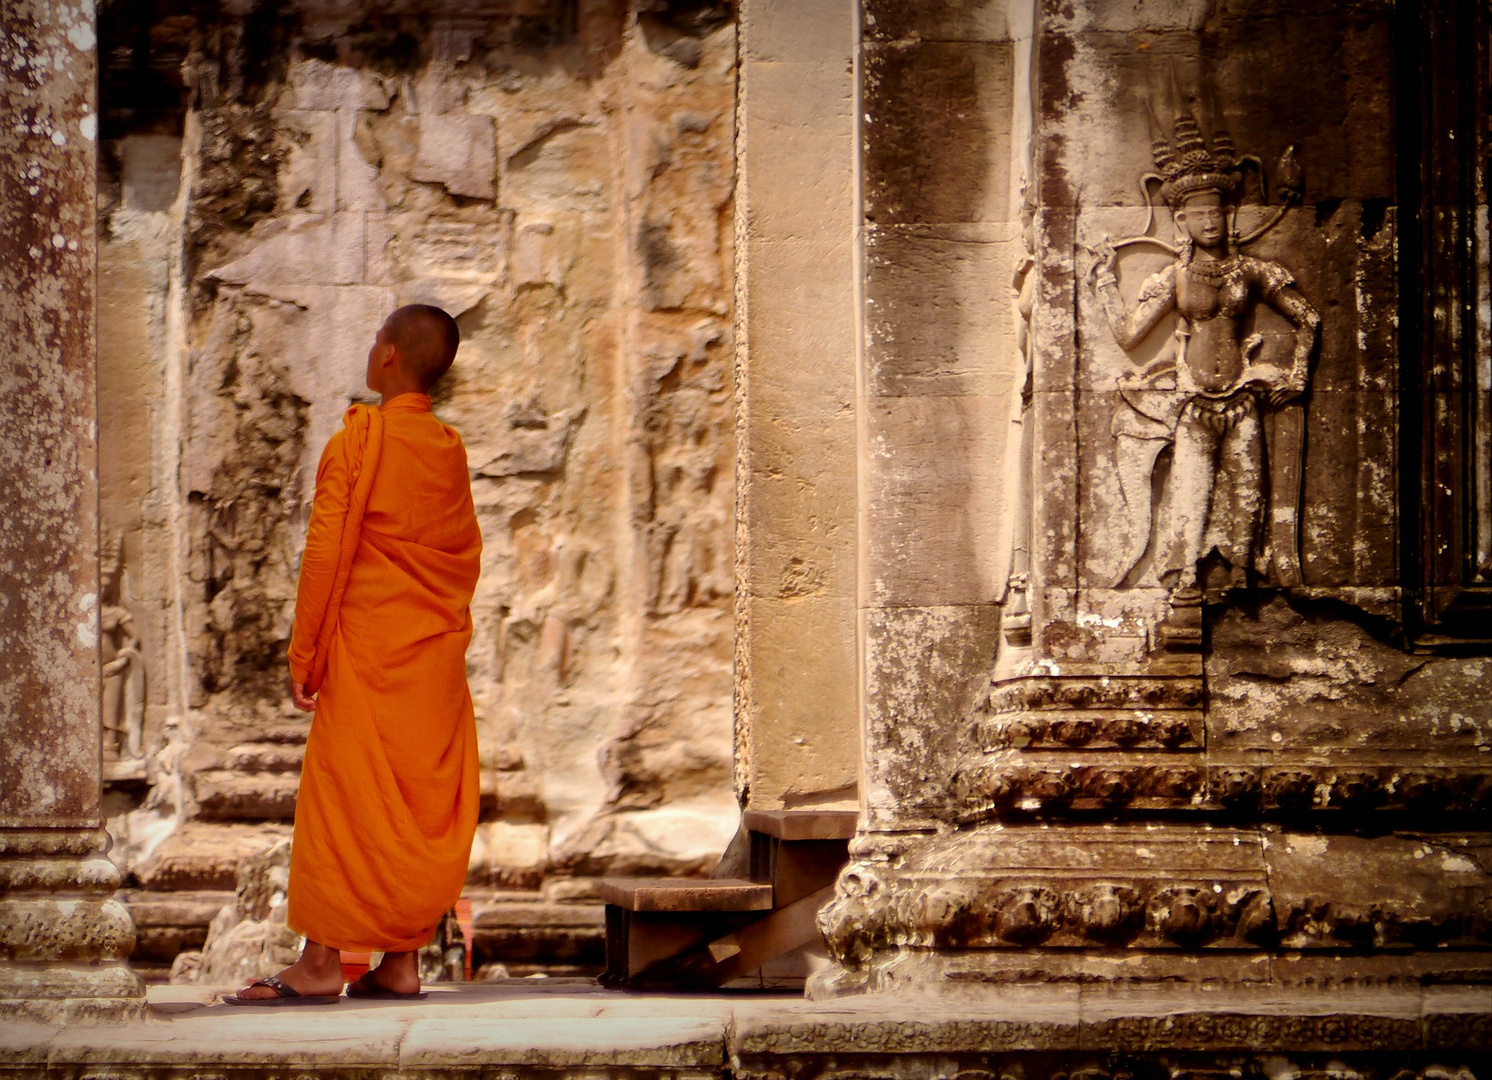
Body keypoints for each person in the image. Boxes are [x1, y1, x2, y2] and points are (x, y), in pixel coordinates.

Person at [226, 305, 482, 1005]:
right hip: (432, 660)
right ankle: (400, 963)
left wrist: (303, 655)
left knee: (342, 804)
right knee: (415, 805)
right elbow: (464, 558)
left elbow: (326, 555)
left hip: (368, 656)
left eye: (376, 342)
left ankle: (320, 963)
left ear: (391, 355)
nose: (371, 352)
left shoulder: (358, 443)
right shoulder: (449, 449)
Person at [1089, 110, 1320, 602]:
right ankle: (1187, 580)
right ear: (1181, 221)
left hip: (1242, 394)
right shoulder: (1174, 278)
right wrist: (1106, 280)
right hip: (1193, 401)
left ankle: (1243, 578)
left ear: (1229, 215)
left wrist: (1297, 375)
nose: (1210, 222)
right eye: (1199, 216)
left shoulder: (1252, 272)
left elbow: (1309, 318)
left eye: (1217, 213)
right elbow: (1130, 334)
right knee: (1190, 494)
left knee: (1246, 494)